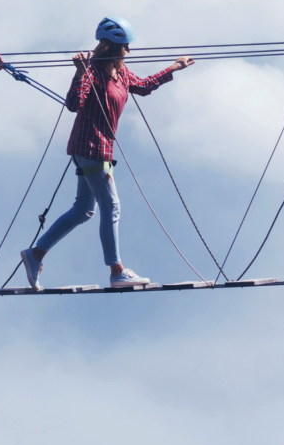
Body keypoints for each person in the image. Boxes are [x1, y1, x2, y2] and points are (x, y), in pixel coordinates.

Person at [20, 17, 194, 290]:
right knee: (111, 207)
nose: (129, 51)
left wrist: (174, 67)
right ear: (114, 47)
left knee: (83, 210)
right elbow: (73, 104)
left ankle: (36, 254)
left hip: (100, 148)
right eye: (125, 46)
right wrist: (79, 73)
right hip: (90, 148)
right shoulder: (93, 72)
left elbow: (144, 86)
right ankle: (117, 271)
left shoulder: (121, 73)